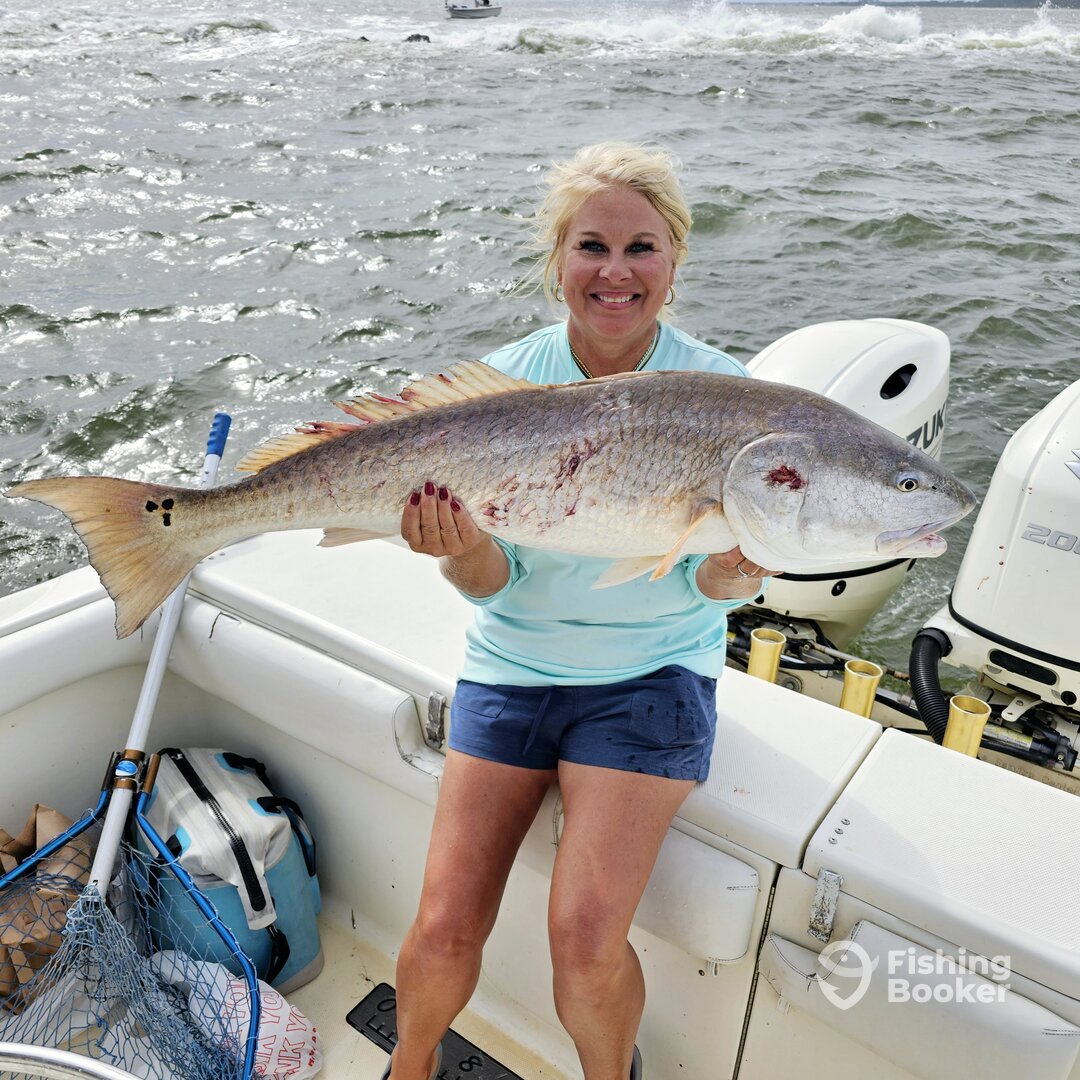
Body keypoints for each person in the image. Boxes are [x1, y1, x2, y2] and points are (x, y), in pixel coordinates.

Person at [382, 141, 774, 1080]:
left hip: (651, 678)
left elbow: (710, 585)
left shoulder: (728, 398)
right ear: (557, 257)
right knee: (440, 927)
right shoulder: (505, 384)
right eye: (592, 246)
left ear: (674, 260)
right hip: (514, 665)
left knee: (586, 944)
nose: (615, 272)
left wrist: (733, 577)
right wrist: (460, 546)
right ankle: (408, 1068)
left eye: (641, 248)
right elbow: (492, 584)